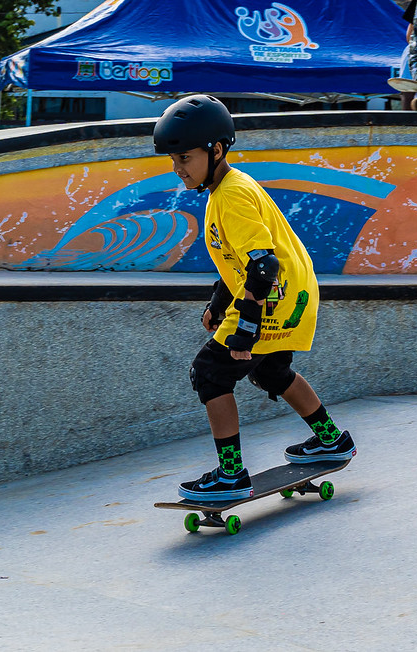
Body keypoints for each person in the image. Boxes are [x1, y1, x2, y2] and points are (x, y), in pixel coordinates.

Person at [153, 95, 356, 501]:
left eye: (185, 159)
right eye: (173, 160)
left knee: (210, 373)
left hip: (273, 297)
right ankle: (332, 439)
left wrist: (244, 327)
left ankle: (231, 474)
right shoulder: (229, 187)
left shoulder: (230, 197)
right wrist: (219, 302)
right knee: (272, 372)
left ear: (216, 149)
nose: (178, 169)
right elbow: (241, 260)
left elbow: (263, 268)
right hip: (295, 295)